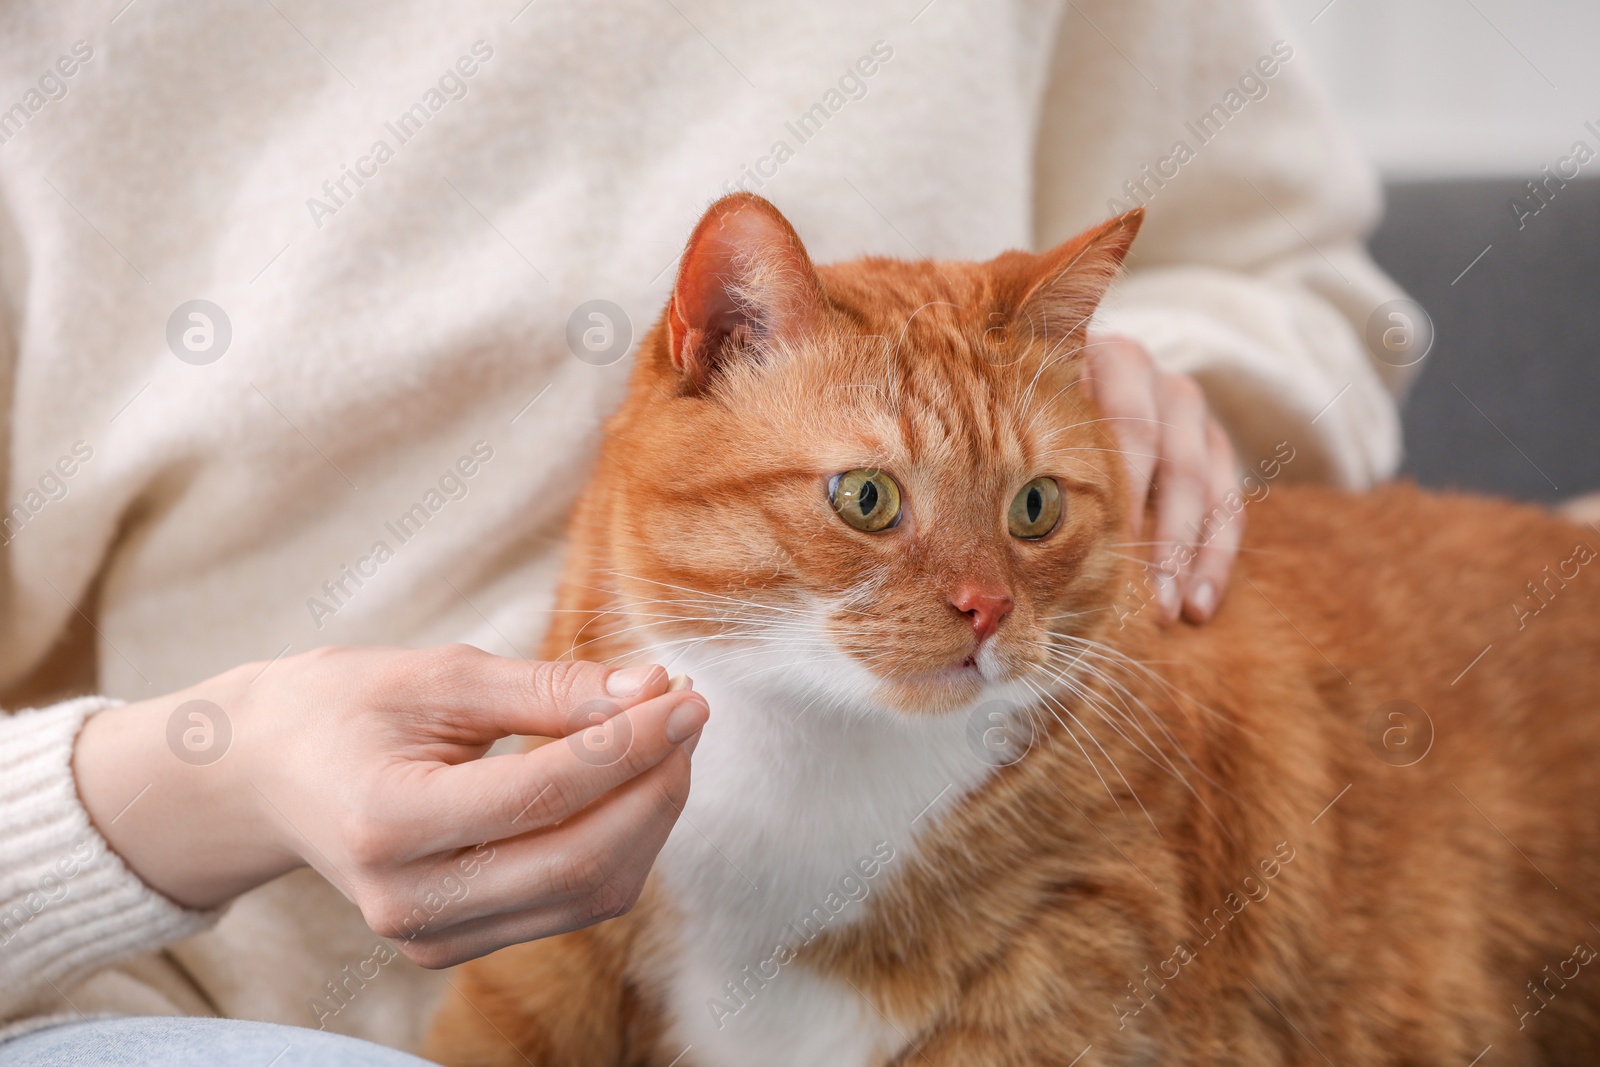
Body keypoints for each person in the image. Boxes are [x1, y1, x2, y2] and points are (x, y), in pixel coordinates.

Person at [0, 0, 1412, 1060]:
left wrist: (1139, 401)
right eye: (869, 504)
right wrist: (201, 788)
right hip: (191, 979)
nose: (974, 587)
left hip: (999, 829)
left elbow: (1275, 270)